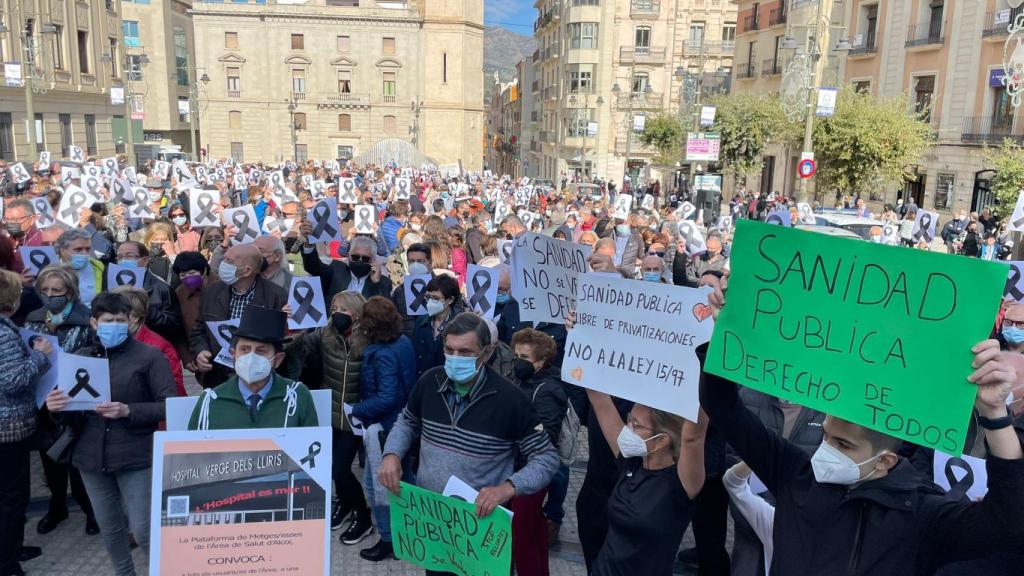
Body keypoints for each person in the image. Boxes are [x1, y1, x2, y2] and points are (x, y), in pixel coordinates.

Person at [701, 276, 1024, 574]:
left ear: (885, 460)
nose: (825, 450)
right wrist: (725, 334)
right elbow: (723, 407)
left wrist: (994, 414)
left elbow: (1006, 525)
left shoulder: (923, 514)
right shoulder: (795, 473)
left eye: (843, 444)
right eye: (826, 435)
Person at [379, 312, 560, 567]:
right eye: (449, 350)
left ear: (486, 353)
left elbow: (547, 458)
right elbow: (408, 421)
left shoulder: (510, 399)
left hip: (481, 530)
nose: (455, 359)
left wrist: (508, 487)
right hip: (433, 523)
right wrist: (391, 454)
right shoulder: (429, 382)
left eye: (465, 352)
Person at [45, 292, 176, 576]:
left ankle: (159, 569)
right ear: (94, 322)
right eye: (108, 320)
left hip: (136, 454)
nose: (115, 325)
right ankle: (123, 572)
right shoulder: (79, 358)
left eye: (120, 320)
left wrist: (128, 411)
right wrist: (55, 407)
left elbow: (169, 405)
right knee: (110, 526)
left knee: (143, 529)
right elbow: (69, 412)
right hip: (90, 456)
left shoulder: (149, 357)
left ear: (130, 321)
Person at [283, 292, 370, 533]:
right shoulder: (325, 333)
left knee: (341, 468)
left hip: (354, 416)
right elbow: (298, 351)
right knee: (331, 467)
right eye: (334, 307)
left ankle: (363, 515)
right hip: (327, 412)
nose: (336, 312)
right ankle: (345, 503)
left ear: (356, 313)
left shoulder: (370, 338)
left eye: (343, 308)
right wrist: (294, 331)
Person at [24, 266, 99, 537]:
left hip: (77, 398)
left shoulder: (85, 319)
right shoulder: (32, 319)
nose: (50, 295)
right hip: (44, 400)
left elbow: (96, 356)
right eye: (44, 290)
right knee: (50, 460)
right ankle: (57, 507)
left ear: (70, 291)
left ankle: (90, 510)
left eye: (56, 290)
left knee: (78, 462)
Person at [348, 296, 418, 561]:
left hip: (385, 428)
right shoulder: (403, 342)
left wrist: (356, 410)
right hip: (403, 422)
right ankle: (409, 535)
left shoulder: (382, 353)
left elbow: (387, 396)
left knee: (379, 485)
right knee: (405, 480)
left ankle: (390, 540)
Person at [0, 268, 53, 576]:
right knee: (11, 496)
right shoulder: (4, 333)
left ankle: (11, 547)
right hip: (9, 429)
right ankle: (7, 562)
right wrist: (40, 356)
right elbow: (13, 380)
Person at [188, 305, 318, 429]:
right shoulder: (211, 401)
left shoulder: (298, 396)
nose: (251, 357)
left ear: (277, 360)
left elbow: (313, 446)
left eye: (261, 351)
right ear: (233, 355)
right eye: (244, 349)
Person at [188, 243, 287, 387]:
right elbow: (200, 328)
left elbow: (284, 340)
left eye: (229, 261)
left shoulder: (276, 296)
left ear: (246, 271)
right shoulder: (212, 291)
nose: (223, 264)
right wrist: (201, 351)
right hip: (218, 376)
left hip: (259, 378)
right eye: (224, 259)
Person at [510, 328, 568, 557]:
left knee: (522, 529)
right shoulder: (522, 380)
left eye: (524, 358)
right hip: (517, 465)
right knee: (529, 527)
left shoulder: (548, 390)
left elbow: (547, 435)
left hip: (530, 469)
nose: (518, 362)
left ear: (542, 361)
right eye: (516, 356)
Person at [111, 286, 186, 396]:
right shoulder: (106, 341)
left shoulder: (160, 347)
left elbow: (174, 390)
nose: (111, 320)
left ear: (135, 316)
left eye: (117, 314)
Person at [112, 240, 182, 345]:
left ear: (145, 260)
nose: (123, 260)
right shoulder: (111, 285)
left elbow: (173, 326)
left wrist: (145, 309)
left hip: (152, 347)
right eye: (120, 257)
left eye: (129, 256)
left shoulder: (161, 288)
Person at [300, 233, 391, 303]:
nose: (359, 261)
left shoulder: (384, 282)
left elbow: (385, 313)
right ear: (348, 255)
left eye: (365, 258)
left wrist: (376, 283)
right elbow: (313, 267)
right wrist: (309, 245)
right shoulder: (337, 270)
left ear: (373, 259)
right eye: (355, 257)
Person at [411, 274, 466, 378]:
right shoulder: (420, 322)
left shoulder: (460, 325)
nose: (430, 301)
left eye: (435, 298)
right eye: (428, 297)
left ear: (450, 300)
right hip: (423, 381)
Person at [170, 251, 209, 372]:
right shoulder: (179, 293)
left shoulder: (222, 288)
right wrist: (186, 356)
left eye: (192, 273)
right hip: (197, 355)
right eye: (182, 275)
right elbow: (178, 328)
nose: (188, 278)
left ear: (204, 271)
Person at [55, 228, 103, 308]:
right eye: (78, 249)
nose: (84, 254)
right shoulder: (51, 271)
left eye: (88, 249)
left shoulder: (99, 269)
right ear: (62, 251)